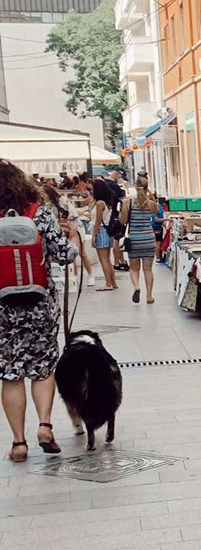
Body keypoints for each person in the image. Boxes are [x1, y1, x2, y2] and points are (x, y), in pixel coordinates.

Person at [0, 161, 80, 461]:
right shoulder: (39, 213)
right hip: (40, 304)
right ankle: (45, 426)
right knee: (43, 368)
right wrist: (72, 239)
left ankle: (18, 443)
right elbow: (64, 255)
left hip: (2, 309)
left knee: (11, 375)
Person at [119, 181, 158, 304]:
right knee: (148, 269)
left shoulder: (128, 202)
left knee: (134, 269)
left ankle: (136, 287)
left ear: (135, 187)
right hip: (149, 239)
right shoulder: (150, 203)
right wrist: (150, 196)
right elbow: (156, 212)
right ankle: (149, 296)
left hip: (134, 240)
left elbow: (122, 221)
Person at [90, 179, 119, 292]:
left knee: (103, 260)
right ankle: (113, 282)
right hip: (107, 231)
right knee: (107, 259)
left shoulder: (99, 203)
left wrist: (94, 236)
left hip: (101, 231)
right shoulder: (107, 203)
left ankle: (108, 283)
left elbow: (98, 221)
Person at [105, 170, 128, 272]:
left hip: (109, 215)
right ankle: (117, 262)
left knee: (118, 238)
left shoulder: (105, 184)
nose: (120, 179)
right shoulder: (114, 186)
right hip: (116, 215)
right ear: (116, 173)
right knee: (117, 239)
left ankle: (121, 260)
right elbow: (121, 201)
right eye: (120, 176)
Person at [151, 195, 167, 263]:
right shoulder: (156, 206)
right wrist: (167, 219)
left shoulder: (153, 206)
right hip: (156, 227)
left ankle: (159, 257)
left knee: (158, 242)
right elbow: (156, 219)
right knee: (158, 243)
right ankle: (158, 258)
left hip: (154, 226)